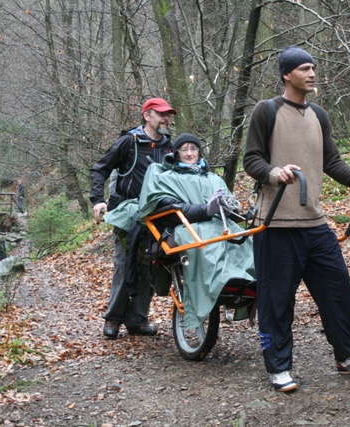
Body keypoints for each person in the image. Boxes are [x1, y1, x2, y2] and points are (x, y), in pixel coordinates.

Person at [243, 45, 350, 393]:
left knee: (337, 291)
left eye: (313, 68)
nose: (311, 74)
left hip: (314, 225)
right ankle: (279, 367)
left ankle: (349, 355)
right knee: (277, 301)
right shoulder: (267, 111)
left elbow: (331, 162)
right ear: (286, 74)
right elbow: (251, 160)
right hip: (275, 225)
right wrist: (275, 172)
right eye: (304, 68)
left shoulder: (318, 115)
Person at [131, 133, 256, 329]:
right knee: (208, 242)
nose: (189, 153)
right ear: (176, 153)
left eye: (193, 149)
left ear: (199, 151)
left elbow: (232, 209)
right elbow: (163, 205)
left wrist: (235, 211)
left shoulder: (213, 178)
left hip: (219, 224)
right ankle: (221, 280)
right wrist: (205, 210)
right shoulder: (166, 177)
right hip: (185, 226)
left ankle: (249, 279)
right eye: (184, 149)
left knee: (244, 239)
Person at [89, 97, 177, 339]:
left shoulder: (170, 146)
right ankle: (113, 320)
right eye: (160, 114)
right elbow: (99, 169)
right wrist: (97, 199)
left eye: (168, 114)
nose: (166, 118)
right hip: (129, 214)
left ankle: (137, 320)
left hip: (159, 215)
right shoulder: (130, 141)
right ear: (147, 115)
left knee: (151, 266)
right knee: (124, 266)